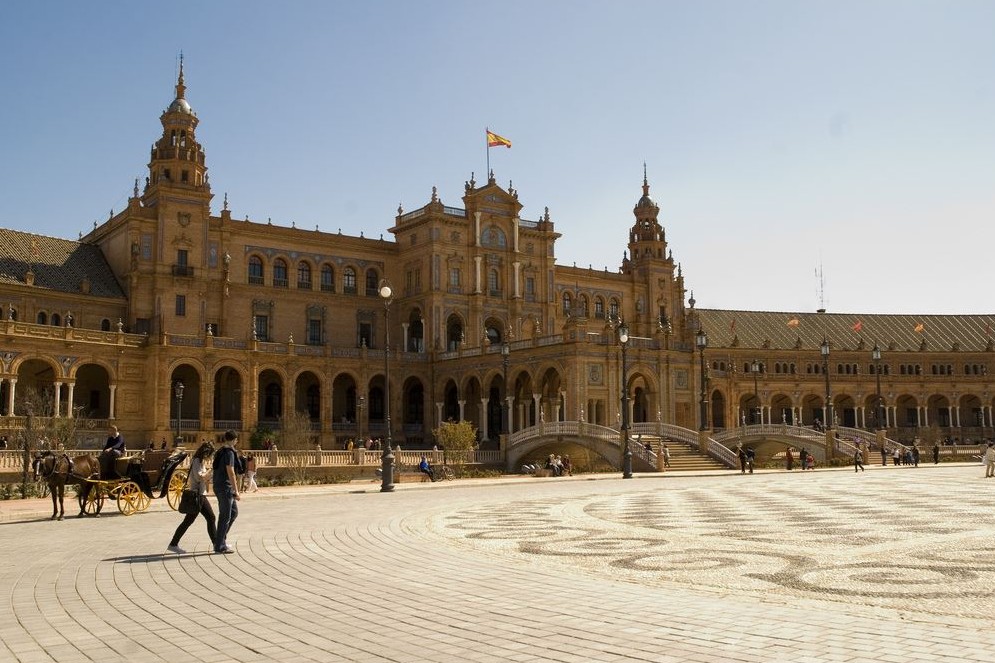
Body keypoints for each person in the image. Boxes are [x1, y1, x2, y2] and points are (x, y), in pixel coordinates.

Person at [167, 441, 217, 554]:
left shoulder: (200, 461)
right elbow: (199, 477)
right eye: (211, 454)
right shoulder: (196, 461)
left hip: (200, 494)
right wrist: (210, 471)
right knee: (210, 518)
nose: (211, 457)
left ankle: (173, 544)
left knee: (190, 521)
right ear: (206, 453)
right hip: (197, 495)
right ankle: (216, 544)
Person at [212, 430, 241, 554]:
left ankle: (221, 539)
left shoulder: (220, 451)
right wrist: (236, 490)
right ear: (234, 440)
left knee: (233, 512)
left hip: (219, 485)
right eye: (236, 440)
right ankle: (219, 545)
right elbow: (231, 471)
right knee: (225, 516)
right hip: (225, 487)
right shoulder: (229, 452)